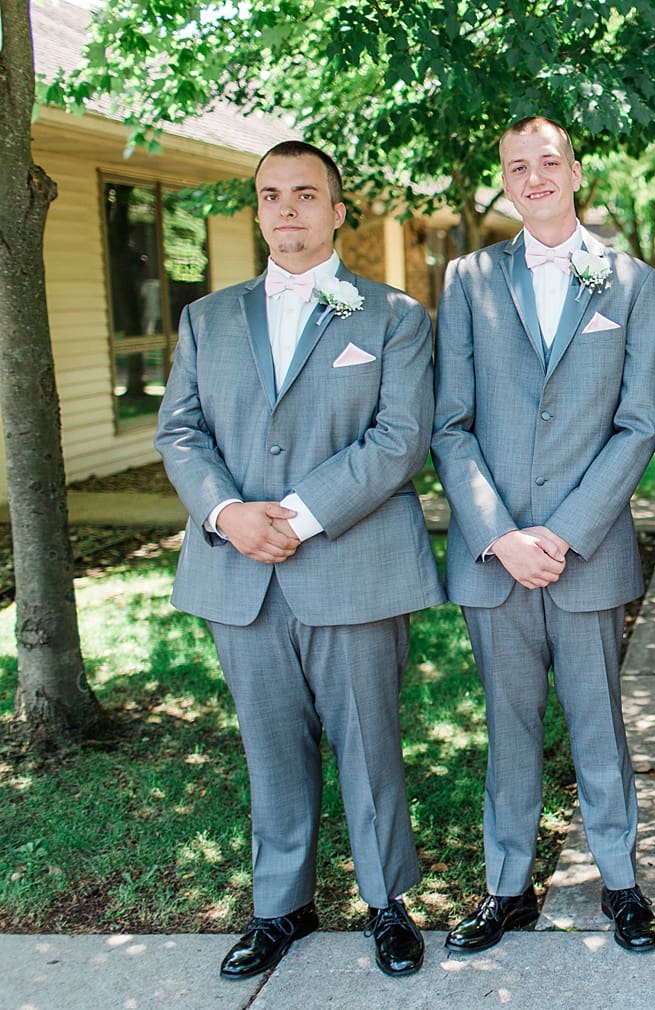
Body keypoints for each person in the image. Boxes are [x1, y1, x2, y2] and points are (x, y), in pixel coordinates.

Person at [156, 140, 444, 978]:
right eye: (272, 194)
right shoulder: (206, 318)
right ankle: (280, 907)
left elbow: (400, 439)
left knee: (368, 742)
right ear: (257, 209)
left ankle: (388, 903)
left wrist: (302, 516)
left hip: (351, 565)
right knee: (270, 746)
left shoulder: (392, 316)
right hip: (237, 571)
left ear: (337, 210)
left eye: (306, 194)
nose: (287, 208)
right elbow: (179, 430)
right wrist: (226, 513)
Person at [432, 116, 655, 954]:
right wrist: (500, 535)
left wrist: (562, 533)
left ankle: (620, 883)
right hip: (494, 558)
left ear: (574, 172)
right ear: (505, 180)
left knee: (599, 720)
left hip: (586, 551)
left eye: (548, 163)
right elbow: (450, 424)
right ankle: (506, 887)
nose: (533, 178)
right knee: (509, 723)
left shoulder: (631, 281)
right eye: (516, 167)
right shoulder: (467, 278)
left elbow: (638, 423)